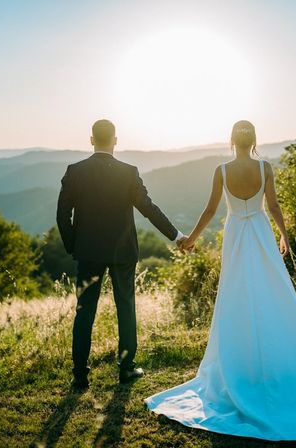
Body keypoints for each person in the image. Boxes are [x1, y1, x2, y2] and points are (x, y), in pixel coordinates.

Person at [144, 120, 296, 441]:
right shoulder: (265, 167)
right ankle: (271, 353)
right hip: (259, 233)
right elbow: (272, 206)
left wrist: (191, 239)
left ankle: (241, 362)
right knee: (271, 293)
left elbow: (211, 209)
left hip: (235, 237)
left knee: (236, 296)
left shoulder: (222, 171)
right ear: (254, 141)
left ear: (232, 141)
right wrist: (284, 235)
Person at [56, 119, 186, 390]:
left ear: (91, 139)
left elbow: (62, 214)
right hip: (123, 252)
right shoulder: (129, 173)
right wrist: (176, 236)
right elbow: (148, 208)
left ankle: (80, 373)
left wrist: (74, 246)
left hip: (88, 252)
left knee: (84, 311)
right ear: (115, 140)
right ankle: (126, 368)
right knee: (125, 307)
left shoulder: (75, 171)